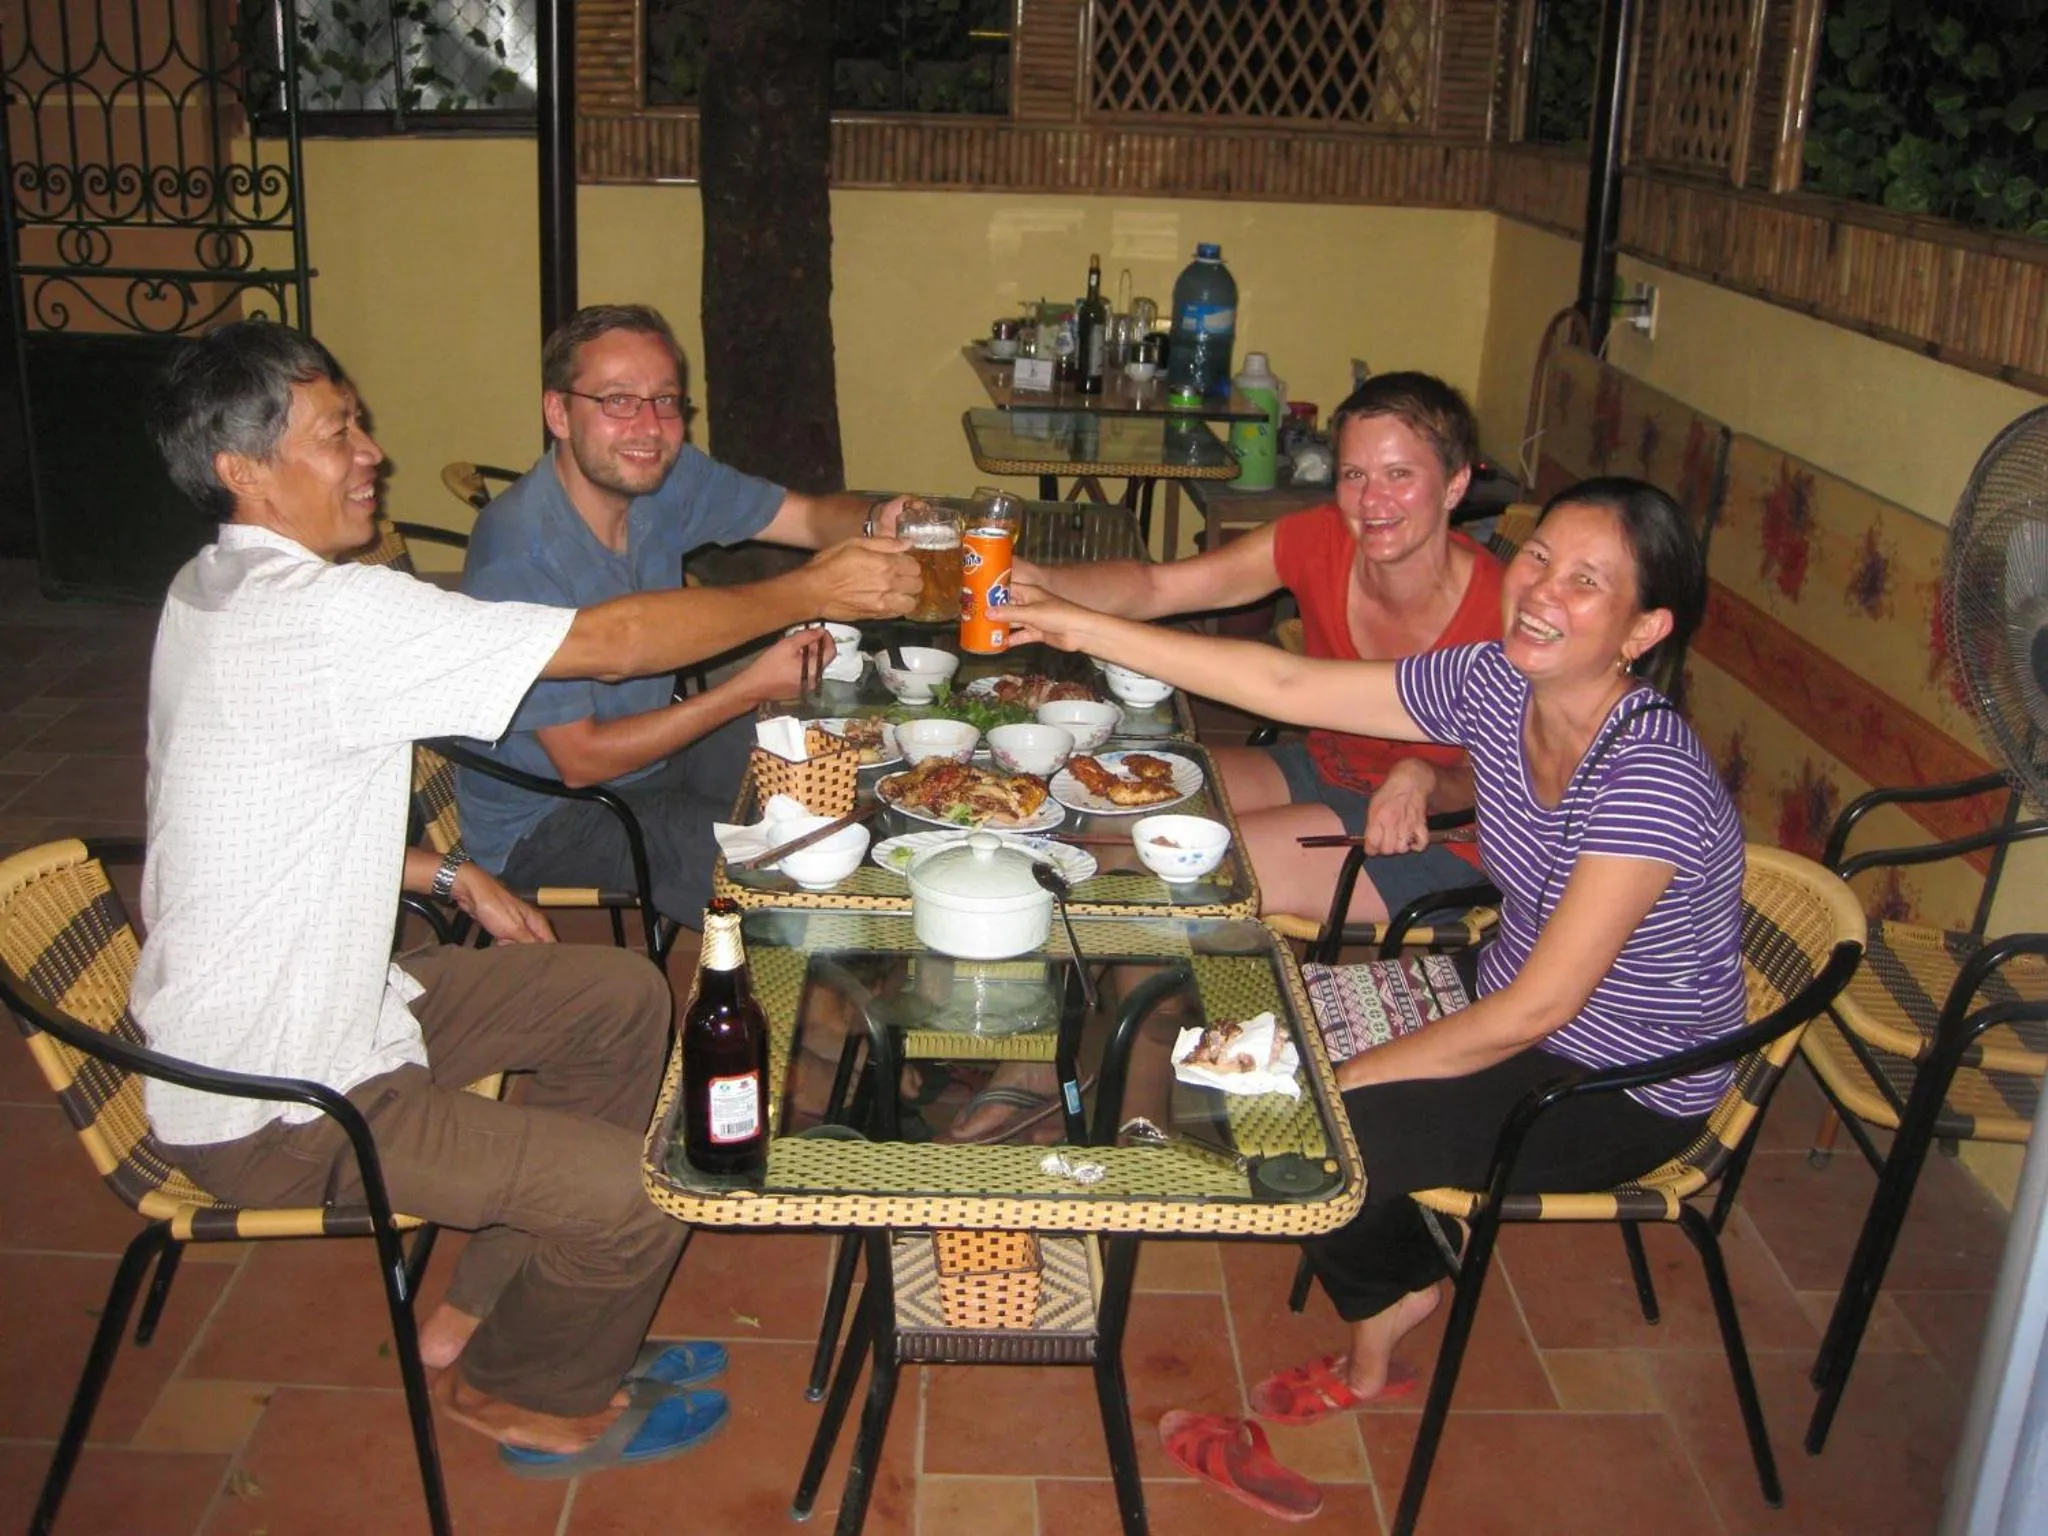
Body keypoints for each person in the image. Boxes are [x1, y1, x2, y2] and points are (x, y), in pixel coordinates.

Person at [134, 320, 912, 1477]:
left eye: (358, 422)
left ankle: (504, 1310)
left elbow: (225, 814)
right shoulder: (320, 613)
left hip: (348, 998)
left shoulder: (216, 586)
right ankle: (526, 1396)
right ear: (245, 471)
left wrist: (436, 871)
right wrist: (805, 589)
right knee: (649, 1192)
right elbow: (606, 647)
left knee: (617, 999)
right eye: (338, 431)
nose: (371, 453)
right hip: (284, 1099)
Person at [1007, 477, 1744, 1417]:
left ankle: (1387, 1310)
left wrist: (1351, 1078)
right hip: (1508, 992)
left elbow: (1538, 1014)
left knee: (1312, 1127)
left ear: (1643, 632)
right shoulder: (1496, 681)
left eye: (1588, 582)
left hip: (1615, 1080)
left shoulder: (1650, 778)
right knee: (1247, 1056)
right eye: (1540, 558)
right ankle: (1399, 1265)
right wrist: (1081, 626)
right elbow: (1284, 682)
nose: (1544, 591)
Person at [458, 302, 922, 925]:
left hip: (651, 758)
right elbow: (582, 761)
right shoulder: (520, 552)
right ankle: (810, 1007)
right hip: (550, 817)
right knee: (792, 863)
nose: (649, 427)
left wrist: (875, 519)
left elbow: (808, 518)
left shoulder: (661, 480)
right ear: (557, 412)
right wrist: (748, 689)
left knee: (838, 769)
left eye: (666, 401)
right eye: (618, 400)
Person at [1017, 371, 1505, 927]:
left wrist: (1422, 775)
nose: (1372, 500)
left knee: (1177, 867)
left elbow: (1516, 788)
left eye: (1399, 474)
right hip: (1327, 770)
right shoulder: (1321, 539)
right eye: (1354, 474)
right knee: (1097, 817)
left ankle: (1168, 1013)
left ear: (1455, 485)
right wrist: (1040, 582)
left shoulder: (1506, 610)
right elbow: (1157, 587)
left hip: (1440, 833)